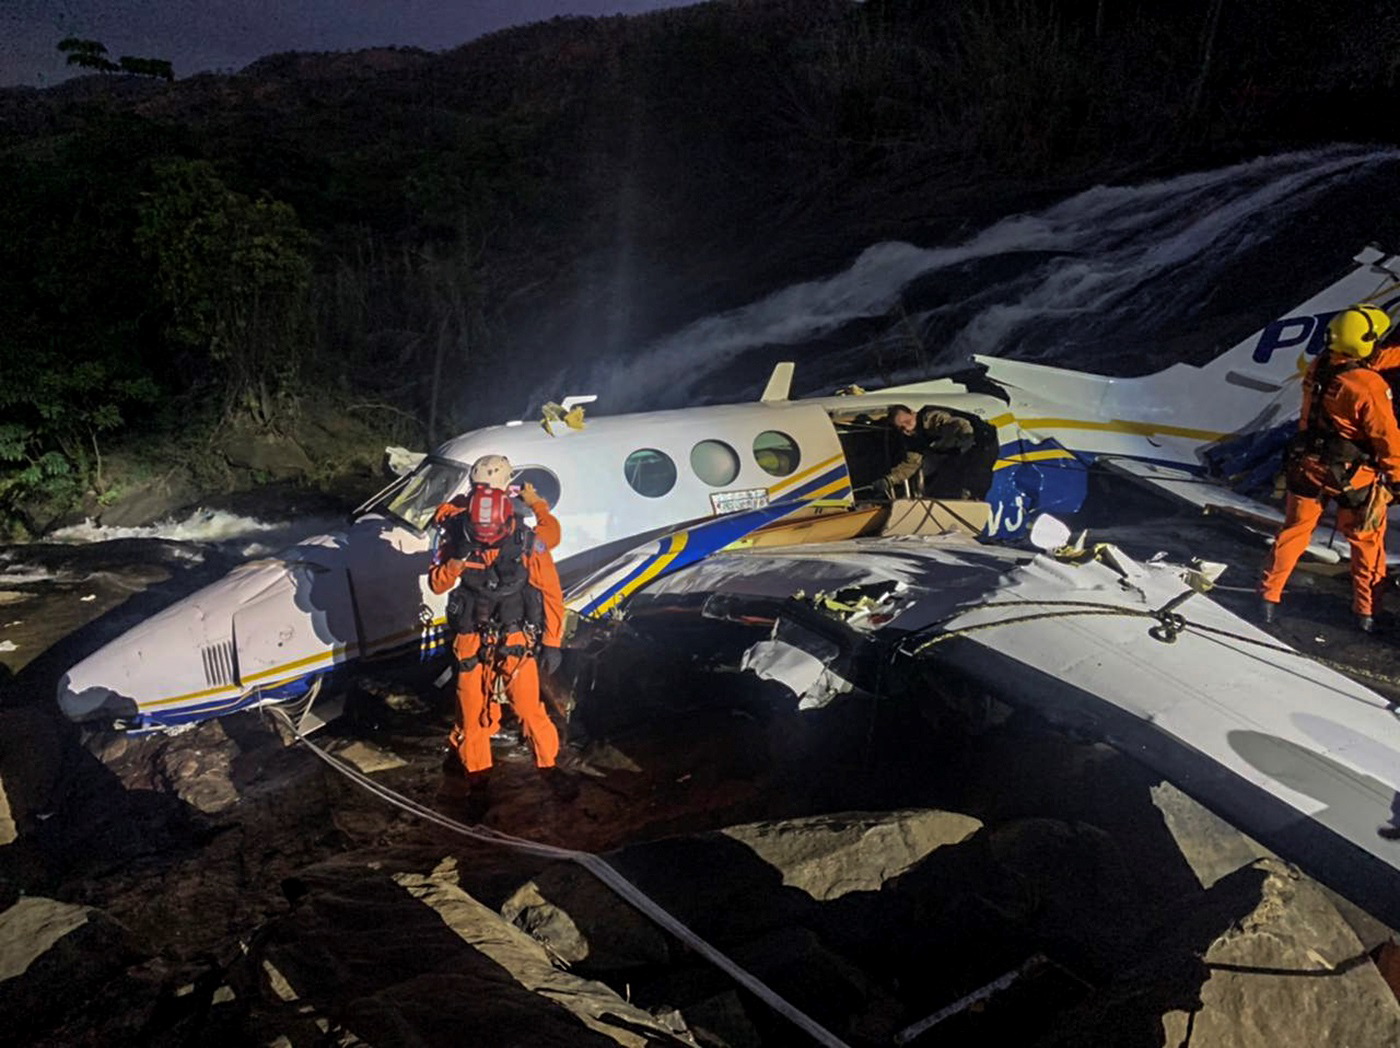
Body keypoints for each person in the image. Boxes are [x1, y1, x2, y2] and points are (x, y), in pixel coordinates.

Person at [428, 454, 577, 813]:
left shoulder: (524, 542)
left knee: (526, 709)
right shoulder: (457, 533)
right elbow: (438, 583)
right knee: (475, 715)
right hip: (475, 641)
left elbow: (551, 590)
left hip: (512, 640)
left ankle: (548, 769)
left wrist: (552, 642)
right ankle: (478, 783)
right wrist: (457, 560)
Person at [1259, 304, 1400, 631]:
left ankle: (1268, 597)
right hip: (1353, 477)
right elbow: (1386, 438)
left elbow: (1367, 361)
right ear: (1365, 343)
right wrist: (1396, 479)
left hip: (1307, 465)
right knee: (1365, 542)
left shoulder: (1320, 366)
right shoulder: (1369, 386)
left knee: (1294, 533)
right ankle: (1367, 613)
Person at [875, 403, 986, 499]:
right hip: (953, 453)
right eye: (901, 428)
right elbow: (911, 464)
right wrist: (889, 480)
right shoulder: (913, 440)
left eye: (907, 421)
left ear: (913, 413)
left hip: (979, 444)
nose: (906, 429)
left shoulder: (930, 418)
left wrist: (965, 440)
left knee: (975, 482)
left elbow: (959, 424)